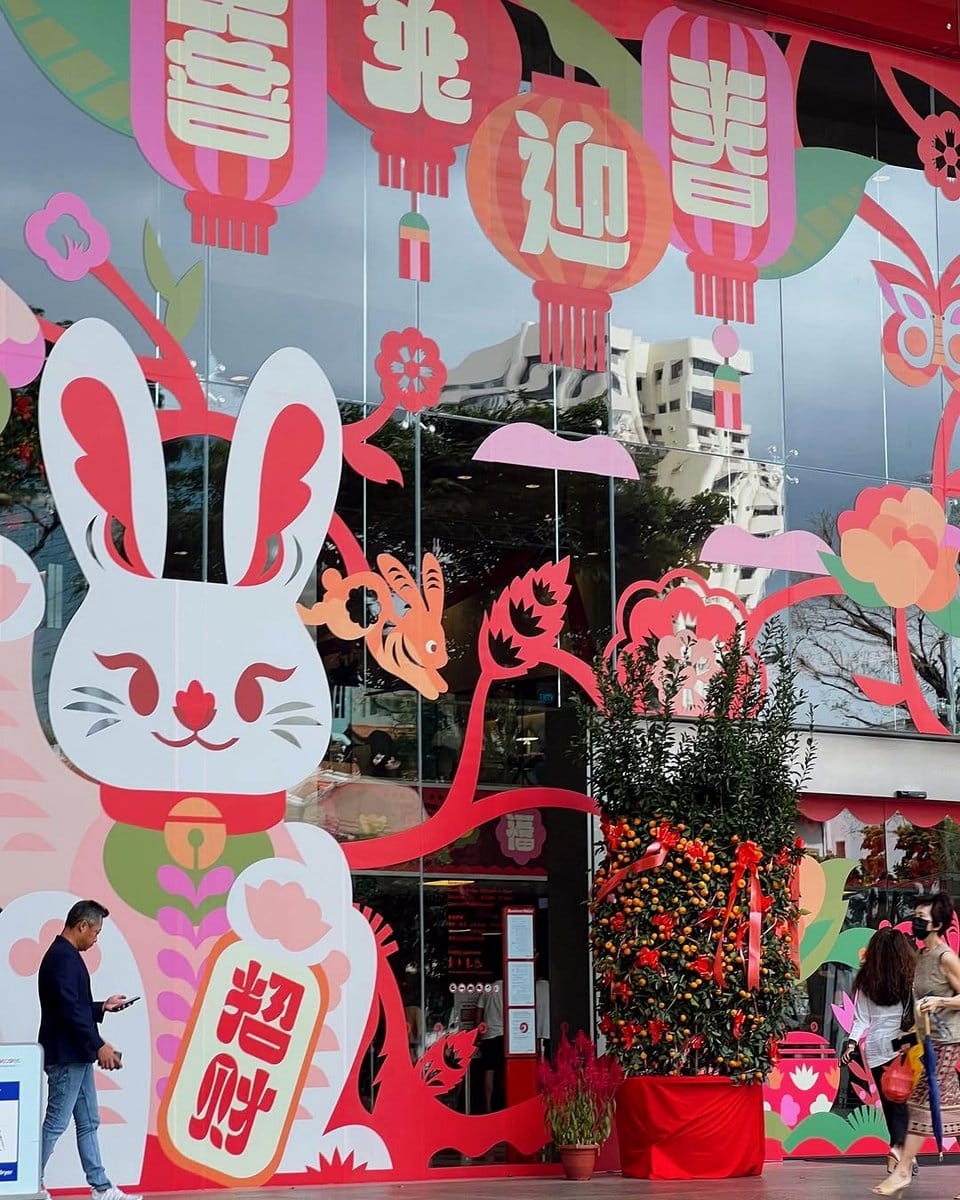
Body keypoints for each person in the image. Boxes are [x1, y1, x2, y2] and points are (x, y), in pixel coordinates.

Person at [38, 900, 139, 1200]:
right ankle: (28, 1181)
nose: (96, 938)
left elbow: (72, 1006)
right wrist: (99, 1046)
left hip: (76, 1055)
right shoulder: (63, 958)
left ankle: (101, 1187)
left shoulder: (64, 956)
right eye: (95, 931)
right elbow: (69, 1011)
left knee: (88, 1122)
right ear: (82, 926)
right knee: (56, 1123)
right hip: (68, 1055)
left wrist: (102, 1007)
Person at [872, 893, 960, 1196]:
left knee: (920, 1104)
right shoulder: (922, 956)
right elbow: (918, 1004)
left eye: (921, 918)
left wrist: (941, 1000)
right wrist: (909, 1038)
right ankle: (903, 1169)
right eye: (915, 916)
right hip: (928, 1043)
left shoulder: (945, 957)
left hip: (948, 1043)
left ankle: (903, 1170)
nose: (915, 922)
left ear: (937, 923)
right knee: (950, 1111)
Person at [838, 927, 917, 1175]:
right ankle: (901, 1152)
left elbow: (861, 1019)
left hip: (875, 1049)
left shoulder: (866, 980)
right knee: (903, 1104)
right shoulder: (910, 978)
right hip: (903, 1044)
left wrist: (851, 1043)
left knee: (891, 1103)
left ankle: (901, 1152)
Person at [477, 981, 504, 1112]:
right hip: (505, 1035)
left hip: (488, 1035)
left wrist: (479, 1035)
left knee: (489, 1071)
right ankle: (505, 1101)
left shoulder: (487, 989)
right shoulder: (510, 986)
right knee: (504, 1071)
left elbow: (479, 1013)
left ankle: (487, 1106)